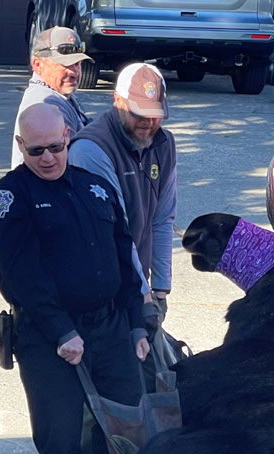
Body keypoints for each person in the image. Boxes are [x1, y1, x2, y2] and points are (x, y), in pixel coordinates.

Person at [0, 103, 150, 454]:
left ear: (69, 138)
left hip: (110, 329)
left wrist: (139, 324)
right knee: (61, 446)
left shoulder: (95, 187)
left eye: (56, 147)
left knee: (118, 435)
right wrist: (61, 332)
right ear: (21, 147)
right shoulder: (10, 197)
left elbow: (126, 258)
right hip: (47, 337)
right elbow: (20, 277)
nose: (49, 158)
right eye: (36, 151)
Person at [69, 63, 176, 319]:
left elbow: (162, 219)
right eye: (138, 112)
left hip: (135, 282)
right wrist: (142, 294)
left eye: (155, 113)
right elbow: (117, 231)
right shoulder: (90, 150)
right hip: (96, 289)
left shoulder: (163, 143)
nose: (148, 122)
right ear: (117, 101)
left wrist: (160, 289)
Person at [11, 26, 94, 170]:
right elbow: (81, 159)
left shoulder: (59, 94)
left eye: (78, 64)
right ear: (38, 65)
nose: (74, 72)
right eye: (65, 64)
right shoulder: (46, 103)